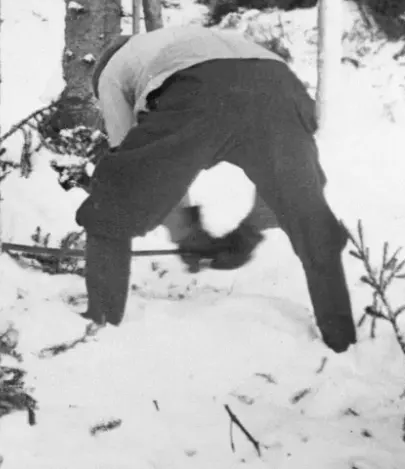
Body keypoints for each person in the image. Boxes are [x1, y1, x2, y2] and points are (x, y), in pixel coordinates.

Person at [76, 25, 358, 353]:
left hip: (201, 88)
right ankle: (342, 343)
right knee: (306, 210)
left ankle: (98, 326)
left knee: (113, 201)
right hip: (279, 83)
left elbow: (139, 169)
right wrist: (248, 233)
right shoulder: (175, 39)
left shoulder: (110, 73)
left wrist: (185, 232)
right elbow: (279, 183)